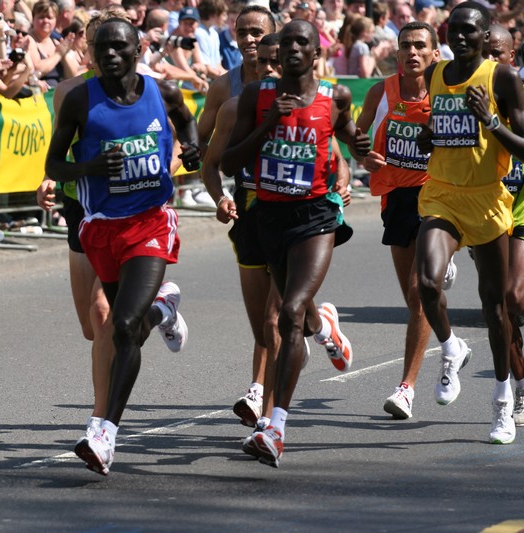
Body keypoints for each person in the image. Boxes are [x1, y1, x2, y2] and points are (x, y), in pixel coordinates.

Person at [45, 18, 200, 475]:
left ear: (137, 50)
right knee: (120, 330)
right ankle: (165, 308)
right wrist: (91, 166)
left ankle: (103, 433)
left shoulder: (161, 93)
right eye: (103, 49)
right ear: (92, 54)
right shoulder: (78, 100)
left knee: (124, 323)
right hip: (101, 228)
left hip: (151, 221)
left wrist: (191, 150)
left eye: (120, 47)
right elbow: (55, 165)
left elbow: (188, 124)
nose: (110, 55)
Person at [222, 19, 369, 467]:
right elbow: (230, 161)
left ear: (315, 51)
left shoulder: (333, 95)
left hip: (316, 216)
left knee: (285, 315)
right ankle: (323, 326)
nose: (292, 49)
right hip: (268, 216)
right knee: (298, 315)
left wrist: (359, 146)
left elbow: (343, 130)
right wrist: (269, 123)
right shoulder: (256, 96)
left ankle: (276, 429)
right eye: (286, 42)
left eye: (301, 41)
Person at [415, 1, 524, 444]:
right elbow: (437, 132)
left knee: (496, 308)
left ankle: (502, 402)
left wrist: (490, 121)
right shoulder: (435, 75)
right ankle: (451, 347)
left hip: (487, 200)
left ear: (485, 37)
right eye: (453, 30)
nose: (459, 37)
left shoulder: (501, 78)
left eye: (469, 31)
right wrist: (428, 135)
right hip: (441, 194)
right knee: (426, 282)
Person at [36, 5, 125, 452]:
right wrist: (52, 177)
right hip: (80, 210)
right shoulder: (68, 91)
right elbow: (60, 148)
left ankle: (100, 421)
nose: (101, 51)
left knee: (103, 312)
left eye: (112, 43)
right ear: (85, 47)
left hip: (125, 211)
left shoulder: (139, 90)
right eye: (95, 44)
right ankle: (160, 305)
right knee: (93, 329)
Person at [355, 21, 440, 420]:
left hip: (436, 194)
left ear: (434, 54)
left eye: (420, 46)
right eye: (405, 45)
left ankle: (406, 387)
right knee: (413, 299)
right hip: (397, 198)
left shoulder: (444, 93)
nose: (412, 52)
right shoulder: (381, 91)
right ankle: (451, 340)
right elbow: (355, 137)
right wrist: (363, 157)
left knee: (420, 289)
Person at [197, 5, 275, 427]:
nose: (250, 40)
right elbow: (204, 150)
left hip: (296, 210)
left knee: (276, 315)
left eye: (258, 33)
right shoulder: (224, 90)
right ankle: (323, 325)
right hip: (247, 206)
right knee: (267, 314)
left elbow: (332, 151)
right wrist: (218, 197)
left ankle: (260, 395)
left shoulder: (306, 91)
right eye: (243, 32)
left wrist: (337, 182)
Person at [482, 25, 524, 427]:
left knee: (513, 295)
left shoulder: (516, 90)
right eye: (485, 53)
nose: (490, 61)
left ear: (512, 56)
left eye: (497, 54)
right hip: (488, 203)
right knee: (499, 302)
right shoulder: (469, 91)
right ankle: (518, 383)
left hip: (523, 203)